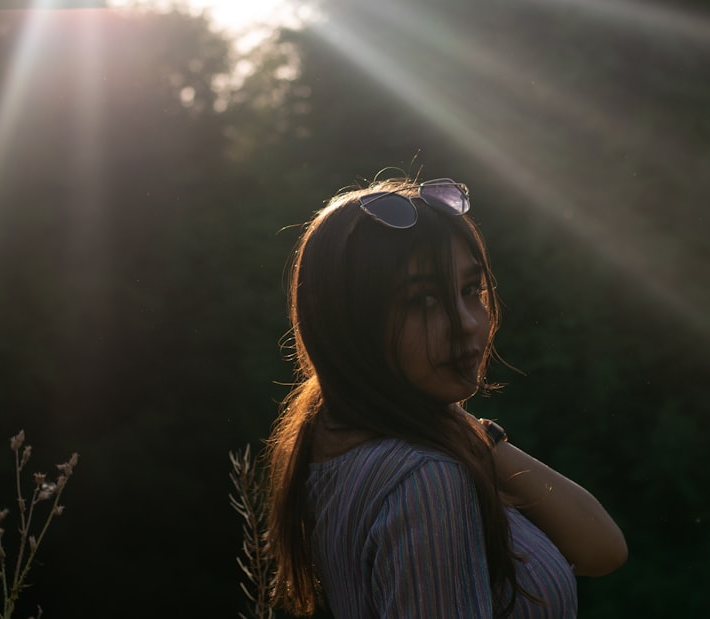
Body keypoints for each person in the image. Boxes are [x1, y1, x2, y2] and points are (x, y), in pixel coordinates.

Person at [262, 175, 627, 618]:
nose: (469, 323)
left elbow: (602, 549)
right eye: (424, 300)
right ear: (350, 325)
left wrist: (472, 434)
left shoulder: (325, 439)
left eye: (471, 290)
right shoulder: (425, 479)